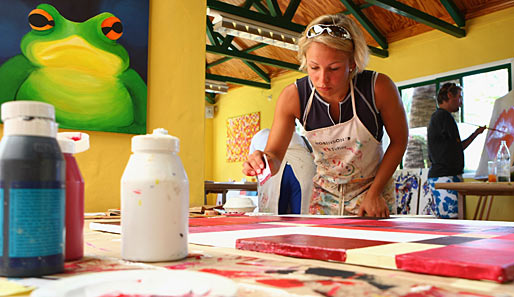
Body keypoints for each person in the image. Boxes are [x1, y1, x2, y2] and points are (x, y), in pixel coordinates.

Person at [242, 14, 408, 217]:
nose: (322, 80)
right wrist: (262, 161)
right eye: (314, 68)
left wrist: (374, 193)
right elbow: (275, 156)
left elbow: (399, 141)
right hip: (324, 196)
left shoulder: (378, 88)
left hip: (373, 194)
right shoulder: (293, 97)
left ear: (353, 62)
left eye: (334, 68)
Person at [427, 82, 486, 218]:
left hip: (447, 176)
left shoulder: (443, 117)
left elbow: (457, 149)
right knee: (451, 222)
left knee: (454, 220)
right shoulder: (443, 117)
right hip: (444, 177)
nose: (460, 103)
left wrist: (476, 134)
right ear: (449, 96)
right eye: (459, 97)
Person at [249, 128, 316, 214]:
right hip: (303, 164)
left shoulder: (259, 136)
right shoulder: (296, 136)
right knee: (302, 215)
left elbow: (254, 165)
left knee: (274, 218)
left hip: (273, 165)